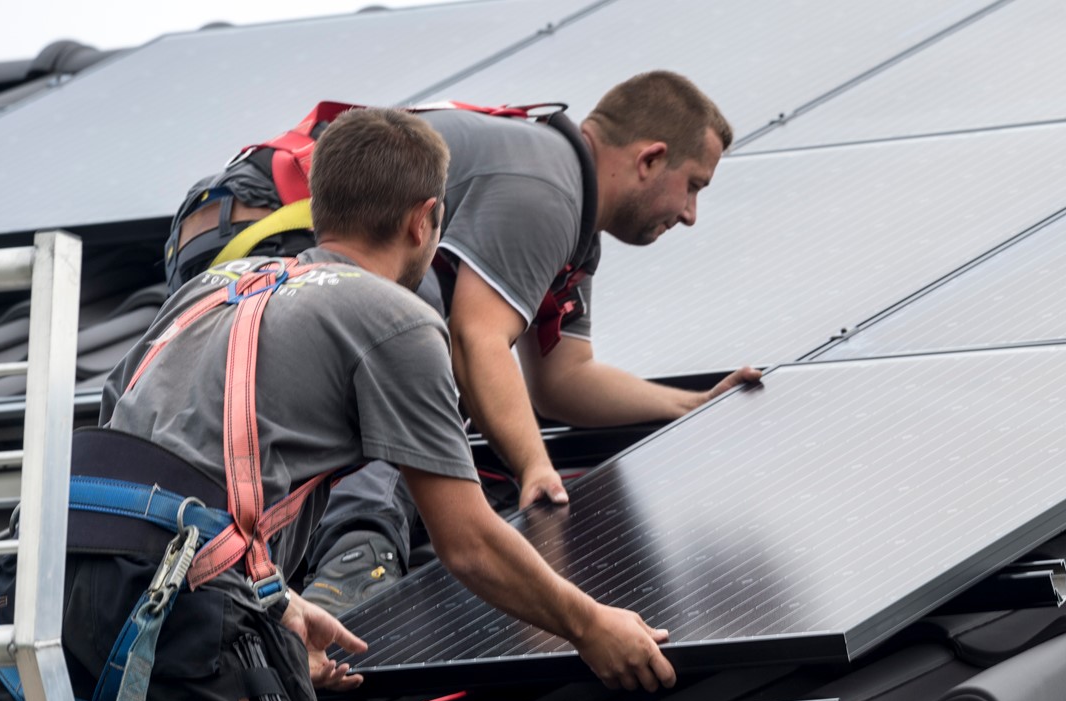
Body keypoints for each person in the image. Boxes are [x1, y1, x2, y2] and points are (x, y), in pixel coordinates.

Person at [0, 108, 673, 701]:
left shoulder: (205, 290)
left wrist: (279, 598)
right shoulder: (398, 319)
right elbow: (467, 540)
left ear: (319, 208)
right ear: (426, 219)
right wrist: (590, 624)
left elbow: (151, 469)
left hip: (40, 575)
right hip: (166, 589)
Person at [165, 71, 761, 613]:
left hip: (219, 240)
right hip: (266, 225)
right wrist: (534, 470)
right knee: (407, 319)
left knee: (404, 321)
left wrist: (692, 403)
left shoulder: (570, 222)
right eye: (693, 187)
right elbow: (478, 341)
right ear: (650, 159)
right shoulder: (549, 187)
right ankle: (358, 550)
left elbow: (563, 380)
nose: (689, 214)